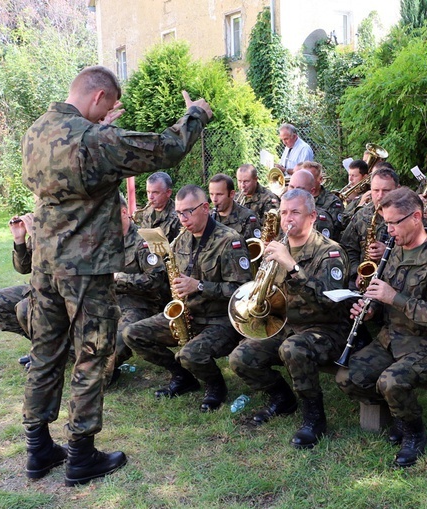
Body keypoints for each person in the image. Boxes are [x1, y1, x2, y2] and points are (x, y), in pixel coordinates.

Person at [21, 65, 212, 485]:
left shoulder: (37, 131)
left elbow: (75, 163)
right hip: (85, 268)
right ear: (101, 98)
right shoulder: (96, 139)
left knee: (46, 351)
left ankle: (38, 450)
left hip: (45, 264)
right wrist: (196, 113)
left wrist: (99, 129)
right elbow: (165, 148)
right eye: (108, 105)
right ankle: (81, 456)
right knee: (92, 355)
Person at [336, 187, 427, 467]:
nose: (389, 230)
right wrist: (370, 309)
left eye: (394, 223)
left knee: (390, 381)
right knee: (346, 376)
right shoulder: (394, 251)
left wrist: (395, 297)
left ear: (416, 217)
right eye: (386, 223)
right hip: (391, 339)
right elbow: (383, 300)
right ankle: (398, 412)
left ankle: (413, 433)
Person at [229, 188, 349, 449]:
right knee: (241, 358)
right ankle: (282, 398)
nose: (288, 218)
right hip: (287, 325)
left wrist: (293, 268)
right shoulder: (278, 248)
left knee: (292, 348)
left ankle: (313, 417)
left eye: (295, 212)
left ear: (312, 216)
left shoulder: (330, 252)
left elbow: (329, 302)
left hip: (325, 329)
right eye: (284, 212)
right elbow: (267, 291)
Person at [123, 185, 252, 410]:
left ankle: (216, 386)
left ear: (204, 208)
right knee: (133, 334)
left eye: (187, 212)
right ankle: (183, 377)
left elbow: (243, 290)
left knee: (190, 354)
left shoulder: (230, 241)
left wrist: (199, 286)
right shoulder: (182, 239)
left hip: (220, 320)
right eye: (179, 213)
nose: (182, 219)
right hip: (189, 314)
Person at [106, 196, 169, 386]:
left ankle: (105, 370)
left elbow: (156, 280)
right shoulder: (104, 240)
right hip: (109, 301)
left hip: (139, 303)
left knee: (115, 345)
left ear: (124, 212)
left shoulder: (147, 240)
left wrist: (119, 278)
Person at [0, 213, 34, 366]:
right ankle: (46, 347)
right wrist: (19, 240)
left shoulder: (74, 220)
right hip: (41, 288)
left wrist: (38, 236)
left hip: (72, 291)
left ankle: (61, 351)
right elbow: (24, 268)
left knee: (25, 309)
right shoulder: (46, 219)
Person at [340, 167, 399, 289]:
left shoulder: (408, 217)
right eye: (376, 190)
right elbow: (348, 248)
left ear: (397, 190)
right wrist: (357, 272)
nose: (380, 196)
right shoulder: (362, 215)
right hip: (365, 283)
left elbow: (421, 252)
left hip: (397, 284)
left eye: (386, 190)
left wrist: (390, 252)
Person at [208, 173, 262, 241]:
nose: (214, 199)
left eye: (219, 194)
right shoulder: (207, 217)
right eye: (211, 194)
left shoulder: (248, 218)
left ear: (231, 194)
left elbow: (254, 248)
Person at [300, 161, 345, 240]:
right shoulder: (296, 198)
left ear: (320, 180)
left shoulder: (333, 202)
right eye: (303, 178)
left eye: (310, 178)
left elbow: (336, 232)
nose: (305, 181)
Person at [288, 169, 337, 239]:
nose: (293, 192)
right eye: (291, 187)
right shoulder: (281, 213)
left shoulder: (319, 218)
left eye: (299, 189)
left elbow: (321, 247)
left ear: (312, 191)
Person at [133, 172, 182, 242]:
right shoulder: (146, 210)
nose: (150, 197)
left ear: (168, 192)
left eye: (155, 192)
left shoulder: (178, 216)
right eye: (148, 192)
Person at [339, 159, 370, 229]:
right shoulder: (345, 192)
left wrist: (359, 206)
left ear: (365, 177)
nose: (350, 179)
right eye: (349, 175)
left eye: (354, 176)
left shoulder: (368, 194)